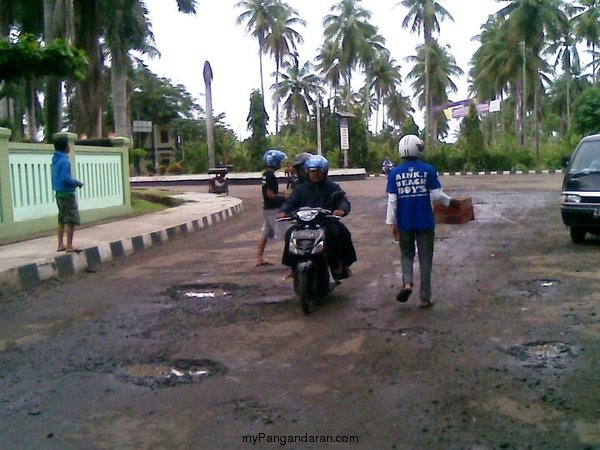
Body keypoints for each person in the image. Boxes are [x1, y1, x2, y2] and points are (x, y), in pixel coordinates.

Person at [385, 134, 455, 308]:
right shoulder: (428, 170)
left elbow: (392, 200)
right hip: (425, 221)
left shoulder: (394, 173)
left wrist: (392, 223)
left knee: (406, 255)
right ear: (418, 149)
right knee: (425, 259)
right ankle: (425, 297)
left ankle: (407, 283)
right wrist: (450, 202)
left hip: (404, 222)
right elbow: (437, 195)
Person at [277, 154, 357, 279]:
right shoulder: (300, 188)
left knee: (340, 233)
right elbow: (290, 202)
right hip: (304, 224)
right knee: (289, 235)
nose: (315, 174)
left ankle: (339, 265)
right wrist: (284, 210)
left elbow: (342, 200)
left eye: (318, 172)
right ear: (308, 171)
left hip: (326, 222)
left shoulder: (332, 187)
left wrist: (341, 209)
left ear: (324, 171)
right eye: (312, 171)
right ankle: (293, 266)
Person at [51, 135, 84, 253]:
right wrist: (77, 183)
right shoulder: (65, 161)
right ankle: (69, 245)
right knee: (70, 220)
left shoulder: (55, 161)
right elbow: (65, 179)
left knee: (61, 220)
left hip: (59, 194)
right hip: (67, 194)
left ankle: (60, 244)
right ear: (65, 147)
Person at [256, 149, 288, 267]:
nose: (281, 163)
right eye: (279, 161)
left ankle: (259, 258)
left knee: (265, 234)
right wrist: (284, 198)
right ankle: (292, 260)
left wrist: (281, 193)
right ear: (275, 163)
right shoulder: (270, 176)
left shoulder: (266, 174)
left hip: (267, 208)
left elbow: (270, 193)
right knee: (287, 234)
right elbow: (270, 194)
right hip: (273, 209)